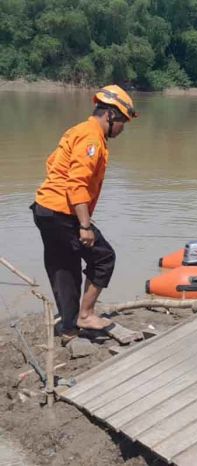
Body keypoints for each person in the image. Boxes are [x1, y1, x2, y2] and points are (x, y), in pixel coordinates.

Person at [31, 85, 137, 340]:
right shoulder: (91, 139)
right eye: (122, 122)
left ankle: (68, 327)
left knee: (63, 266)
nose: (123, 129)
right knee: (103, 258)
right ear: (110, 115)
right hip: (61, 212)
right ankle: (86, 314)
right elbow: (77, 183)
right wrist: (85, 226)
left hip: (44, 208)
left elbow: (52, 162)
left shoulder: (77, 130)